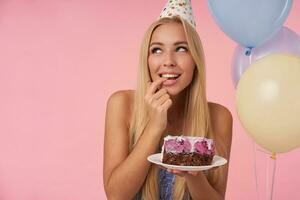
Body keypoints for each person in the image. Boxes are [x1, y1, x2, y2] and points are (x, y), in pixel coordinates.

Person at [103, 2, 232, 199]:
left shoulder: (219, 117)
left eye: (181, 49)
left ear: (195, 59)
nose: (168, 61)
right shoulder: (122, 104)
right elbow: (116, 195)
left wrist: (193, 175)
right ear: (146, 60)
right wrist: (154, 126)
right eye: (157, 50)